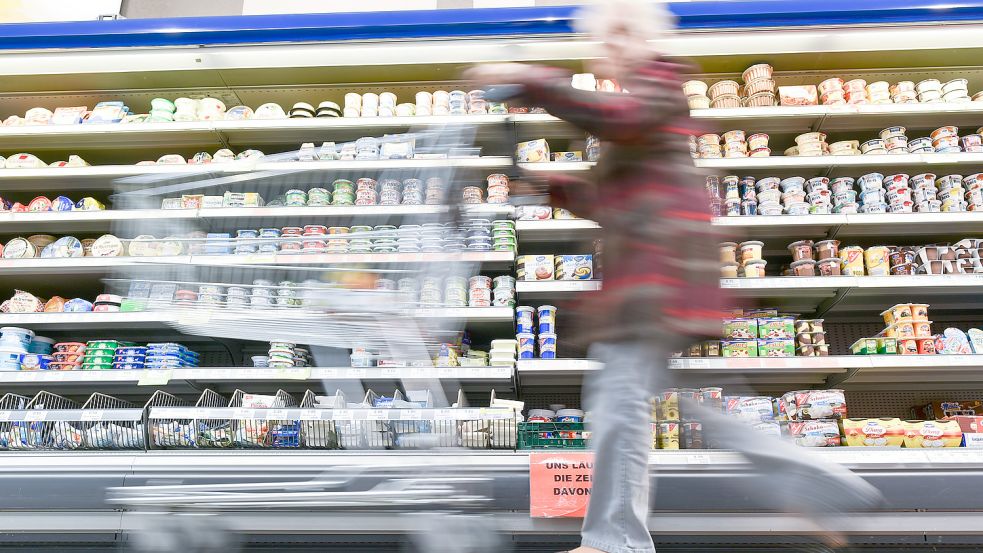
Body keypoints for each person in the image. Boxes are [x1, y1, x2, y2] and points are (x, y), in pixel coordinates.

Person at [467, 1, 883, 552]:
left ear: (645, 38)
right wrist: (550, 186)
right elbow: (614, 200)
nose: (611, 46)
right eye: (604, 37)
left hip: (655, 282)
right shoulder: (638, 110)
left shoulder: (659, 86)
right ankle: (821, 482)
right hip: (652, 283)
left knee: (619, 404)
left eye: (621, 33)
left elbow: (624, 120)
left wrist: (528, 80)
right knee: (668, 399)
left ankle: (615, 542)